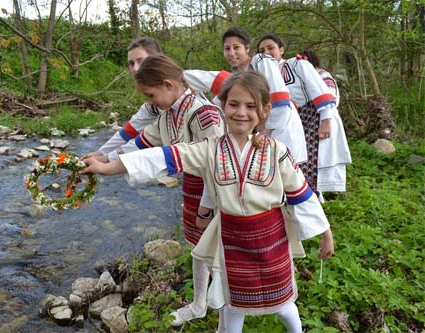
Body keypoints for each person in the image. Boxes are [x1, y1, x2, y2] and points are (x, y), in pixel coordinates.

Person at [81, 71, 334, 333]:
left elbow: (300, 194)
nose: (241, 112)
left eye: (250, 106)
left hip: (271, 238)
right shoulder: (207, 149)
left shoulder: (277, 151)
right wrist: (108, 167)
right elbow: (164, 157)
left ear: (265, 110)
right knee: (234, 302)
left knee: (282, 302)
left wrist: (325, 233)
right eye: (234, 104)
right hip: (232, 239)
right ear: (222, 106)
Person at [99, 54, 227, 326]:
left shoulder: (204, 115)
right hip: (193, 186)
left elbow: (219, 166)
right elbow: (142, 142)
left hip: (217, 193)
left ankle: (227, 315)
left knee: (220, 253)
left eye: (151, 95)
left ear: (168, 84)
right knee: (197, 246)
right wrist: (104, 159)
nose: (150, 102)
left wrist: (206, 206)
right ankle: (200, 304)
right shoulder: (169, 114)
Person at [184, 27, 307, 165]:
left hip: (282, 129)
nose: (231, 53)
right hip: (266, 134)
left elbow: (280, 99)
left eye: (236, 47)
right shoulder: (240, 77)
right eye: (227, 48)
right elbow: (218, 104)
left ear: (247, 48)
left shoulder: (261, 60)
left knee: (284, 178)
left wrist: (264, 133)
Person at [258, 33, 352, 195]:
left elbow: (320, 89)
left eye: (270, 48)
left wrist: (326, 120)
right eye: (262, 50)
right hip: (294, 122)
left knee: (308, 168)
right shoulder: (265, 75)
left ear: (281, 50)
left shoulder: (295, 64)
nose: (266, 52)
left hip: (312, 117)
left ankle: (311, 205)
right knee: (292, 166)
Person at [83, 37, 163, 159]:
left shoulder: (185, 89)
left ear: (156, 60)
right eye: (131, 63)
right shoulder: (151, 106)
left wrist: (105, 159)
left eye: (140, 61)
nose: (135, 68)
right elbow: (129, 131)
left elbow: (144, 141)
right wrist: (99, 154)